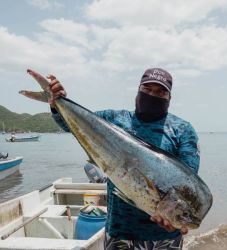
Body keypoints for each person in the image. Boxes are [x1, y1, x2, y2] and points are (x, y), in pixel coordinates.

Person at [49, 68, 200, 250]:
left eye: (161, 91)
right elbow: (70, 125)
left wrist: (178, 221)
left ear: (169, 97)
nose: (153, 95)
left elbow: (188, 180)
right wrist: (58, 103)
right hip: (120, 232)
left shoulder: (182, 130)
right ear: (138, 90)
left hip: (165, 238)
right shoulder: (114, 119)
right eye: (147, 89)